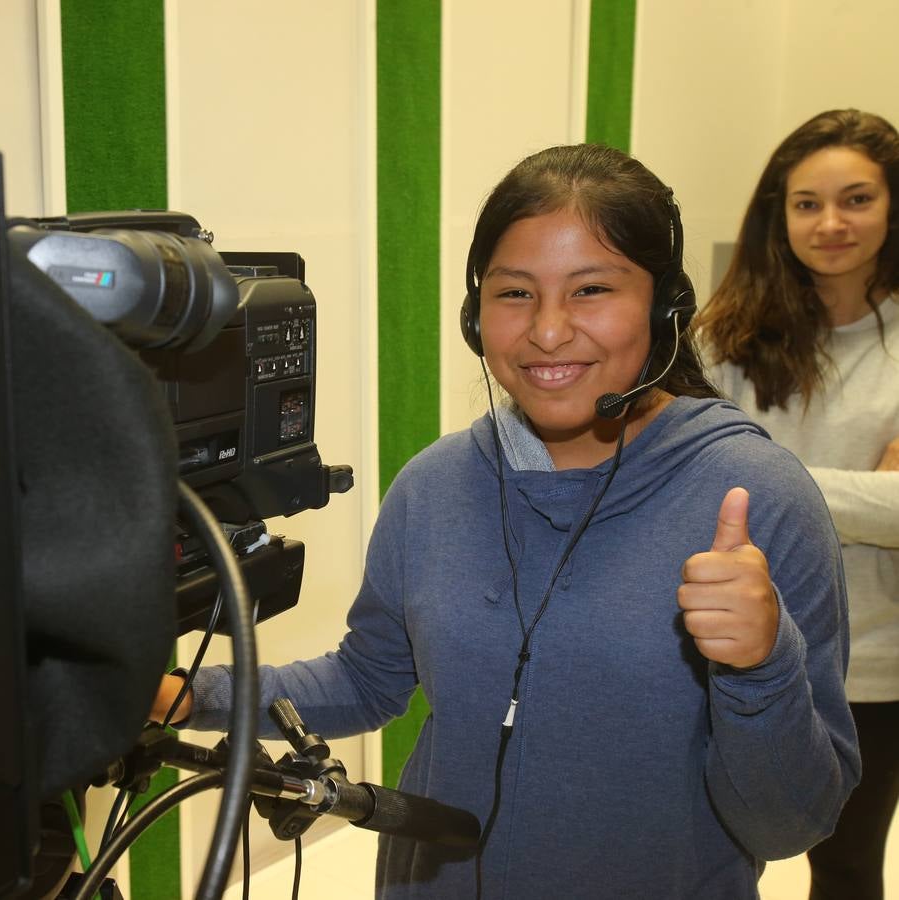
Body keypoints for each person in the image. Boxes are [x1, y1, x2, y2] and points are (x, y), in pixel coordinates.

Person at [149, 144, 861, 899]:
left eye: (591, 290)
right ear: (472, 312)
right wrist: (194, 696)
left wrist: (761, 663)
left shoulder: (757, 499)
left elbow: (791, 826)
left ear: (664, 308)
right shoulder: (435, 484)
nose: (548, 332)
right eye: (514, 293)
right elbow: (370, 678)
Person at [698, 108, 899, 900]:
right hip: (732, 641)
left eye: (857, 199)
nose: (831, 223)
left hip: (877, 661)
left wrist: (767, 476)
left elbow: (729, 477)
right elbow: (694, 478)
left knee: (845, 868)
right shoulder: (729, 336)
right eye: (807, 203)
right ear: (778, 216)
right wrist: (870, 491)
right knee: (709, 851)